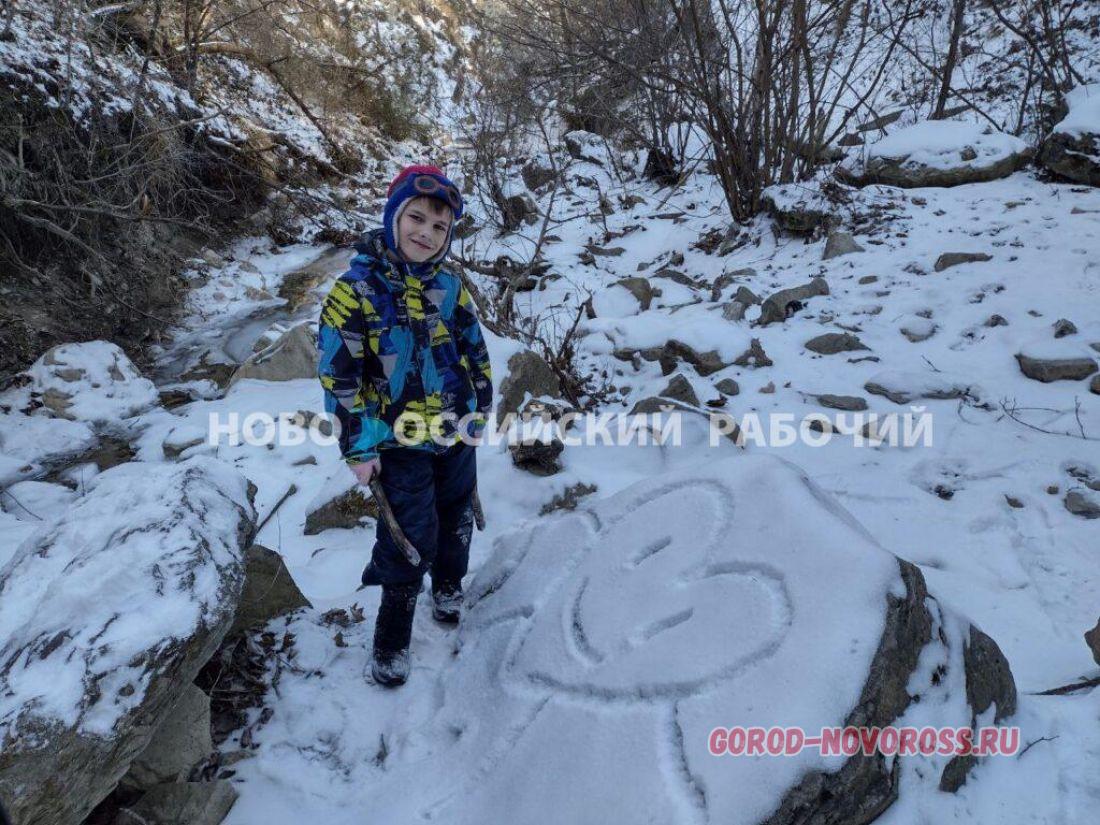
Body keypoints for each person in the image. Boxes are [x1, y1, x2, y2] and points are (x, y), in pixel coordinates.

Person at [316, 164, 493, 687]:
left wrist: (478, 405)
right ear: (393, 218)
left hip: (454, 432)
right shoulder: (354, 292)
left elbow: (474, 350)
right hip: (396, 442)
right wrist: (359, 447)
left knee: (456, 514)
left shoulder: (451, 287)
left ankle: (449, 586)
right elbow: (338, 377)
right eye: (416, 218)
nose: (426, 233)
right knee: (407, 535)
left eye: (439, 228)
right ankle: (392, 636)